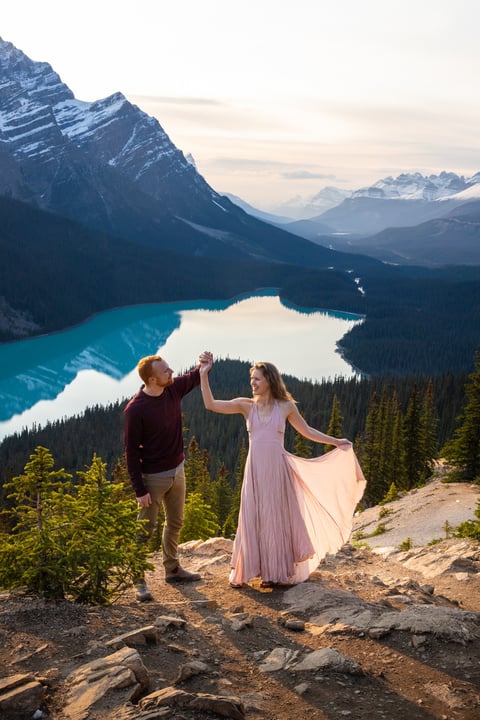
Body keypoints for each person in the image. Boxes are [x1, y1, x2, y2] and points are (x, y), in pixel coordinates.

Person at [199, 355, 366, 588]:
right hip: (255, 471)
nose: (253, 383)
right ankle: (251, 569)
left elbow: (306, 431)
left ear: (269, 380)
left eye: (257, 379)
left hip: (277, 471)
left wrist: (336, 441)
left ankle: (272, 573)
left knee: (274, 520)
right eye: (251, 379)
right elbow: (211, 404)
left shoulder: (286, 407)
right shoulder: (246, 405)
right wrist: (203, 374)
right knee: (254, 517)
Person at [124, 352, 211, 601]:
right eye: (166, 371)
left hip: (177, 471)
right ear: (152, 379)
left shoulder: (172, 390)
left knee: (175, 522)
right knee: (145, 529)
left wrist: (204, 365)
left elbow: (194, 377)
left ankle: (172, 569)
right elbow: (130, 452)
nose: (172, 372)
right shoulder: (136, 410)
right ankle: (138, 580)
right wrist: (139, 490)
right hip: (152, 478)